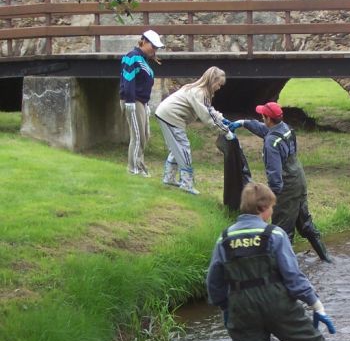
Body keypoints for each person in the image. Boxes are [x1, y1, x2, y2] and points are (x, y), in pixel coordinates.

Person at [206, 182, 343, 341]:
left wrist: (225, 306)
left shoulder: (225, 239)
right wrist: (316, 305)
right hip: (278, 305)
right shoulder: (275, 235)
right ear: (262, 208)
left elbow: (214, 280)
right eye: (271, 207)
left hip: (242, 309)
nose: (272, 212)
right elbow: (293, 277)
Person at [229, 102, 332, 262]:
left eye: (263, 115)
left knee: (282, 232)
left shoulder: (271, 143)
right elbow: (264, 130)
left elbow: (275, 178)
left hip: (286, 187)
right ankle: (327, 259)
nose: (261, 117)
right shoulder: (285, 128)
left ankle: (285, 272)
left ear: (269, 119)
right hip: (299, 180)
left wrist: (269, 201)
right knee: (305, 224)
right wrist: (243, 123)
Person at [154, 66, 236, 195]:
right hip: (171, 116)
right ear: (212, 81)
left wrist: (223, 120)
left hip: (166, 114)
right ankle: (187, 184)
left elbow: (210, 110)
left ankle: (169, 178)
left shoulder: (199, 91)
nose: (219, 88)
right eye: (219, 84)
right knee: (183, 147)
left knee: (177, 147)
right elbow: (207, 117)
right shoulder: (199, 93)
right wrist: (225, 131)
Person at [119, 29, 164, 177]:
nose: (155, 50)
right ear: (144, 42)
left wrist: (146, 104)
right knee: (137, 136)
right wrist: (130, 101)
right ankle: (134, 169)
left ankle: (140, 165)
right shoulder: (132, 56)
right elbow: (128, 80)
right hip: (133, 100)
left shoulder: (143, 59)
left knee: (145, 135)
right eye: (153, 46)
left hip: (142, 102)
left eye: (157, 48)